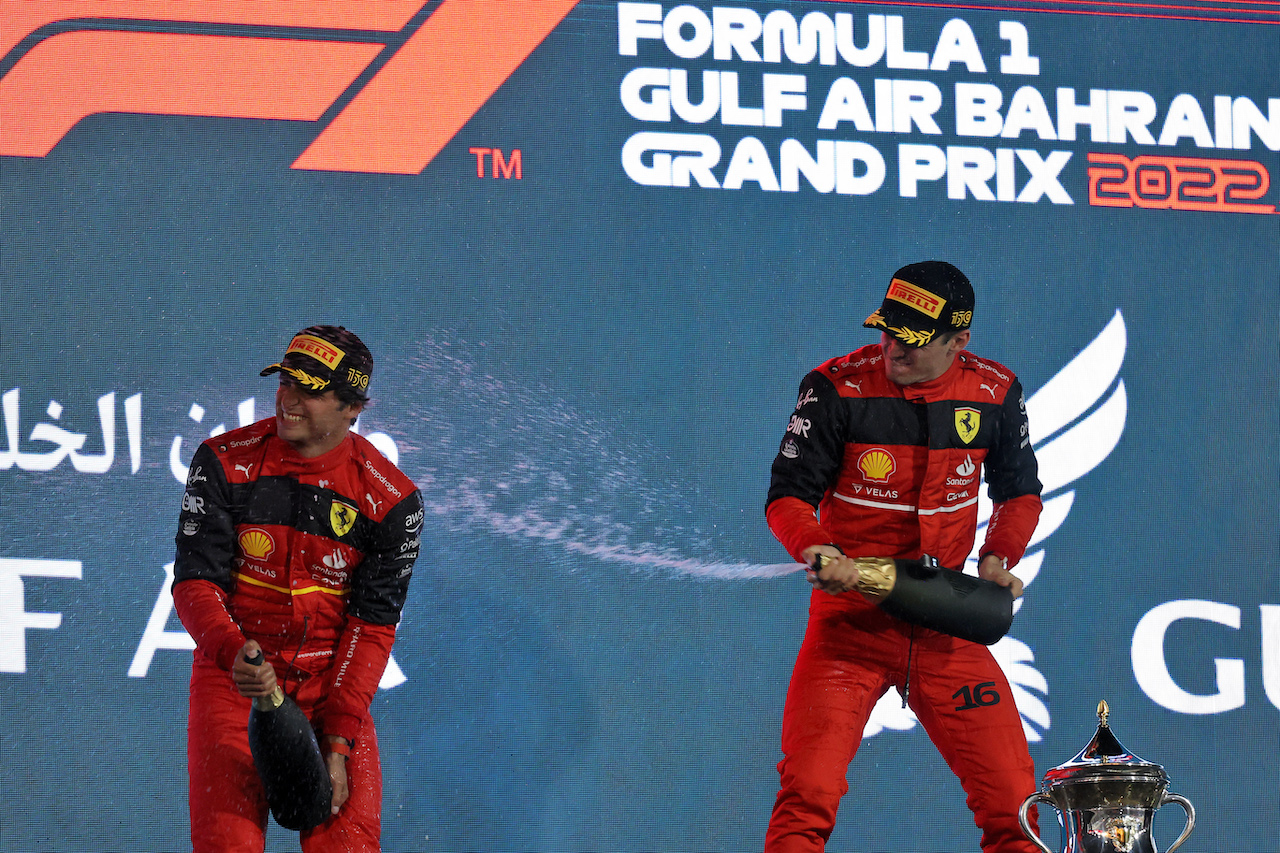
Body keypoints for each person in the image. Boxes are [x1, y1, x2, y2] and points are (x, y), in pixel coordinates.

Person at [763, 262, 1044, 852]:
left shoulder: (993, 394)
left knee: (1016, 811)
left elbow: (1017, 492)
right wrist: (817, 549)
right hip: (848, 631)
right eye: (886, 331)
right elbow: (789, 497)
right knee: (806, 797)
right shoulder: (834, 388)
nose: (892, 348)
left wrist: (998, 557)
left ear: (959, 341)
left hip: (946, 625)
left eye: (911, 340)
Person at [173, 325, 423, 853]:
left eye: (309, 390)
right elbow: (196, 582)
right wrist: (232, 650)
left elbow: (372, 628)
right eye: (285, 384)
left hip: (330, 684)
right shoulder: (222, 460)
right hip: (234, 680)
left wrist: (338, 738)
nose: (288, 401)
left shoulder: (392, 501)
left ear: (353, 407)